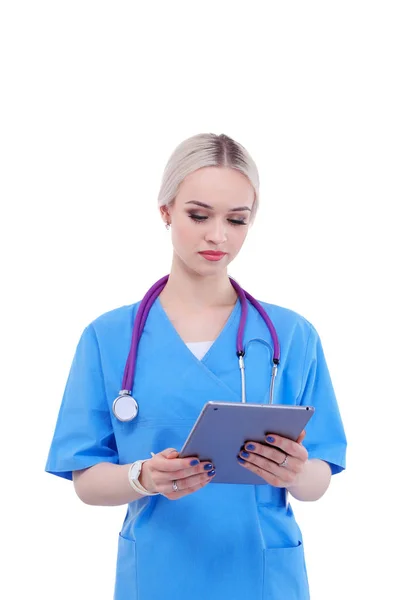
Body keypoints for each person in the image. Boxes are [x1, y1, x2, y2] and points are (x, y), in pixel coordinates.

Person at [45, 132, 347, 600]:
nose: (218, 236)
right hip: (161, 570)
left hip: (263, 573)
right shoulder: (108, 338)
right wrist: (140, 476)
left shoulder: (291, 336)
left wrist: (295, 473)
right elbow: (85, 479)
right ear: (165, 211)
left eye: (237, 220)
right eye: (199, 215)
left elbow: (319, 477)